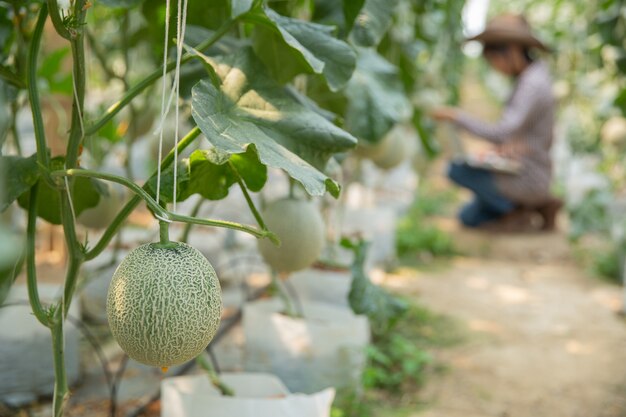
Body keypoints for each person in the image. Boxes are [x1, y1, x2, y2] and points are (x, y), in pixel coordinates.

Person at [431, 13, 562, 232]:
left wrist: (457, 117)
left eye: (494, 60)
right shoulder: (529, 78)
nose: (496, 68)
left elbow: (502, 132)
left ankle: (528, 206)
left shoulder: (532, 84)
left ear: (511, 50)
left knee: (457, 170)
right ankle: (527, 206)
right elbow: (519, 135)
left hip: (528, 176)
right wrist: (497, 153)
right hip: (521, 168)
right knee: (468, 218)